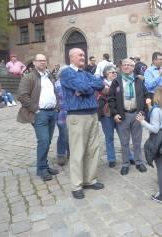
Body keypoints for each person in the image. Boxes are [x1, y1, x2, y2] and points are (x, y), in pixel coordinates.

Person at [60, 48, 105, 199]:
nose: (83, 57)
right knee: (78, 151)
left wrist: (85, 88)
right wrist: (86, 88)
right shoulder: (66, 73)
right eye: (79, 55)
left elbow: (99, 84)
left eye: (84, 55)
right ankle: (76, 185)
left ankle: (90, 180)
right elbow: (83, 87)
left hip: (92, 114)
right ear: (71, 57)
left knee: (93, 149)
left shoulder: (85, 73)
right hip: (77, 116)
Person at [17, 54, 59, 181]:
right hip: (40, 114)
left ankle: (44, 166)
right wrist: (36, 110)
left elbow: (54, 92)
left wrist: (57, 106)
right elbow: (22, 96)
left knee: (48, 141)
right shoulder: (28, 77)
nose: (42, 62)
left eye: (44, 61)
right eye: (39, 61)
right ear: (34, 63)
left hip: (52, 112)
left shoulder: (49, 76)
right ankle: (41, 169)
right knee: (44, 141)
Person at [108, 58, 148, 175]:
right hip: (123, 115)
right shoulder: (117, 81)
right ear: (121, 67)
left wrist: (143, 112)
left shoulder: (138, 80)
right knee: (124, 142)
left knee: (137, 141)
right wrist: (115, 113)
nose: (126, 67)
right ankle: (125, 163)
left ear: (133, 67)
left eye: (129, 65)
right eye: (124, 65)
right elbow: (111, 99)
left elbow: (146, 96)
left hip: (136, 114)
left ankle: (139, 162)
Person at [136, 87, 162, 203]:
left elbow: (155, 129)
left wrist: (142, 121)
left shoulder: (156, 111)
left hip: (159, 141)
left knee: (161, 169)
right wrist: (150, 108)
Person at [97, 64, 119, 168]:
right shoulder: (101, 83)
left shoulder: (119, 82)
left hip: (119, 112)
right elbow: (107, 91)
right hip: (106, 113)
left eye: (115, 72)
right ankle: (111, 159)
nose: (114, 73)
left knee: (123, 135)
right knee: (109, 136)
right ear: (106, 74)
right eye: (112, 72)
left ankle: (129, 156)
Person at [54, 66, 69, 166]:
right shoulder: (57, 84)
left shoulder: (71, 82)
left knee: (71, 134)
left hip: (72, 113)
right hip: (61, 113)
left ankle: (71, 152)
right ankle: (61, 154)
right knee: (63, 134)